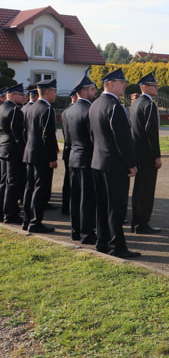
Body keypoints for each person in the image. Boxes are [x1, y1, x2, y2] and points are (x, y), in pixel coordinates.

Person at [90, 69, 140, 258]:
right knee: (116, 207)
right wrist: (131, 163)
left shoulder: (95, 104)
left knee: (102, 205)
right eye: (121, 82)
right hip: (115, 165)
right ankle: (117, 246)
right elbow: (123, 140)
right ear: (110, 83)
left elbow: (92, 135)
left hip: (98, 162)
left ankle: (102, 241)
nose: (124, 85)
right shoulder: (114, 106)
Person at [62, 76, 98, 244]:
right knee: (87, 198)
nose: (95, 92)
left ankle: (75, 230)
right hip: (87, 159)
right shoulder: (90, 111)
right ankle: (87, 233)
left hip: (73, 158)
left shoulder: (68, 111)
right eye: (92, 89)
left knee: (75, 197)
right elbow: (94, 138)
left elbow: (67, 139)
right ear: (83, 91)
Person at [22, 78, 59, 234]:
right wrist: (52, 158)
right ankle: (36, 222)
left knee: (29, 187)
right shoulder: (47, 109)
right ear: (49, 91)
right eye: (55, 91)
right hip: (42, 156)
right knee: (40, 189)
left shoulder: (30, 108)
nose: (56, 94)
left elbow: (25, 132)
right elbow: (48, 136)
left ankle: (27, 219)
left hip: (29, 153)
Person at [130, 72, 162, 234]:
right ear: (144, 87)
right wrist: (156, 155)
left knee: (138, 189)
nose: (156, 87)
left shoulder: (135, 103)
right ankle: (142, 224)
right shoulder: (149, 105)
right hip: (147, 155)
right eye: (153, 85)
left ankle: (136, 221)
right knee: (147, 190)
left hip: (137, 153)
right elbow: (152, 134)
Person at [0, 83, 27, 224]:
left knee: (4, 182)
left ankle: (2, 210)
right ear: (11, 95)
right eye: (20, 94)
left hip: (3, 148)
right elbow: (18, 136)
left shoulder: (2, 108)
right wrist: (24, 153)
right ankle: (10, 214)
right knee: (13, 183)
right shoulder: (15, 110)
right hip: (13, 150)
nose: (24, 97)